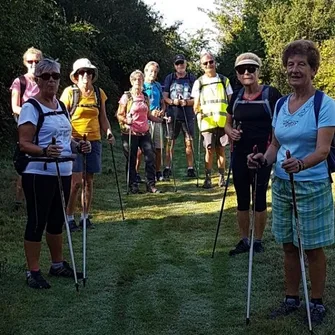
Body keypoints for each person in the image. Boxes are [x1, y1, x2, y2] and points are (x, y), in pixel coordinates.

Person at [248, 40, 335, 325]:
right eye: (290, 65)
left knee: (311, 247)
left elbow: (322, 151)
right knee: (288, 245)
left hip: (311, 184)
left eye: (301, 65)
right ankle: (291, 298)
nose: (294, 70)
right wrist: (262, 158)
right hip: (283, 184)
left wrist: (301, 163)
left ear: (313, 70)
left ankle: (318, 302)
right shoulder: (282, 104)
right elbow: (274, 144)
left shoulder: (325, 104)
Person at [18, 58, 91, 289]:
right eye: (46, 76)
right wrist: (44, 151)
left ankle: (57, 264)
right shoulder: (31, 107)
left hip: (63, 171)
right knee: (37, 221)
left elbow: (64, 138)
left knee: (57, 220)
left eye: (55, 76)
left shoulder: (60, 105)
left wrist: (78, 146)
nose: (51, 80)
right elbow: (23, 143)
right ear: (37, 80)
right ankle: (33, 271)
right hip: (39, 172)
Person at [225, 53, 282, 255]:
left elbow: (279, 124)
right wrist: (230, 131)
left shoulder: (271, 94)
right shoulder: (237, 97)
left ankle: (258, 240)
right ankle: (244, 240)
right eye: (242, 70)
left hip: (262, 154)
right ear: (238, 75)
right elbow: (228, 121)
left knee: (258, 198)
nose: (247, 72)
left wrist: (272, 149)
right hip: (239, 154)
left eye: (251, 68)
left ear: (258, 71)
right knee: (241, 198)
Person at [60, 58, 115, 232]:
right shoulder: (69, 93)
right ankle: (68, 218)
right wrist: (70, 139)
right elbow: (62, 118)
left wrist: (109, 132)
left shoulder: (99, 93)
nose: (86, 75)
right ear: (76, 76)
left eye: (88, 72)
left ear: (92, 75)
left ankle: (85, 217)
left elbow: (103, 117)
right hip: (74, 141)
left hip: (94, 140)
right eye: (81, 72)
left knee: (88, 182)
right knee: (75, 182)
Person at [117, 70, 163, 194]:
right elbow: (119, 114)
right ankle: (133, 185)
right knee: (131, 159)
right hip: (130, 133)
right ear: (131, 81)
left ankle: (151, 184)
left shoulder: (145, 96)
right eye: (136, 79)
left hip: (144, 132)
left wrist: (161, 120)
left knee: (150, 156)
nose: (138, 81)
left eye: (140, 79)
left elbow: (148, 115)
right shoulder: (127, 96)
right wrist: (127, 120)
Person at [192, 51, 233, 188]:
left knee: (221, 149)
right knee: (209, 150)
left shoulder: (224, 80)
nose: (209, 64)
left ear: (215, 62)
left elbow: (231, 102)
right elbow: (196, 104)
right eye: (205, 63)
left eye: (211, 62)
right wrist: (197, 113)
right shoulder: (199, 82)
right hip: (207, 122)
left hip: (222, 122)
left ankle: (222, 178)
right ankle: (208, 178)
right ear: (202, 66)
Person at [10, 47, 43, 209]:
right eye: (30, 61)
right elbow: (15, 107)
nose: (33, 65)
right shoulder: (20, 82)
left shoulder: (45, 80)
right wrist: (33, 114)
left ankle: (36, 196)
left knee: (41, 160)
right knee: (25, 162)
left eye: (37, 61)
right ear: (25, 63)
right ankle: (19, 199)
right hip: (27, 128)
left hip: (43, 128)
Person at [163, 54, 196, 180]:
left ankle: (190, 168)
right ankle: (167, 167)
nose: (180, 66)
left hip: (187, 114)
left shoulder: (192, 78)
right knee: (170, 142)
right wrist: (173, 102)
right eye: (177, 63)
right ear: (174, 66)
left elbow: (197, 99)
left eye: (182, 63)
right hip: (173, 114)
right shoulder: (169, 78)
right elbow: (165, 97)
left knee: (189, 142)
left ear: (186, 64)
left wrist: (186, 102)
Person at [143, 61, 166, 181]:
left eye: (156, 72)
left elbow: (162, 102)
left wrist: (162, 111)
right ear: (146, 71)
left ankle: (157, 172)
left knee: (158, 147)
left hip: (157, 119)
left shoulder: (157, 85)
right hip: (144, 120)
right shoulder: (141, 85)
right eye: (151, 71)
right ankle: (137, 173)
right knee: (142, 149)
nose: (153, 73)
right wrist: (149, 112)